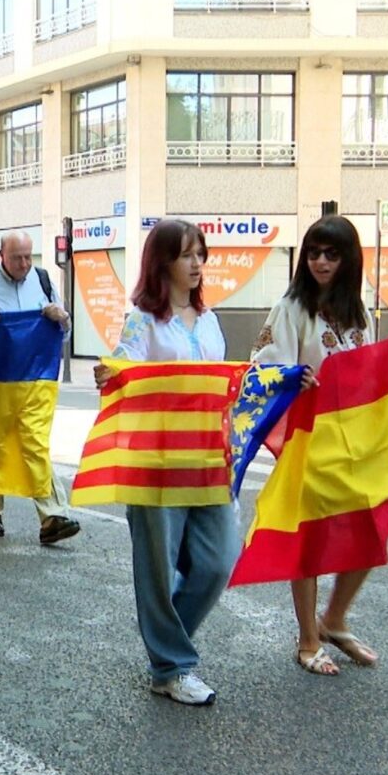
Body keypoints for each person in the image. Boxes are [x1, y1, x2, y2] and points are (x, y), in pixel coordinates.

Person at [93, 218, 234, 706]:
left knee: (217, 562)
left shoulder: (209, 320)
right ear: (163, 262)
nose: (197, 264)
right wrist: (111, 373)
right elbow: (123, 367)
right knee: (157, 566)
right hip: (155, 462)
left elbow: (224, 386)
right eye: (187, 255)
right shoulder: (143, 321)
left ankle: (165, 645)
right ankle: (172, 666)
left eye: (201, 254)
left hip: (208, 461)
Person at [251, 214, 377, 676]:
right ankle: (307, 639)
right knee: (308, 540)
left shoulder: (357, 313)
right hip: (308, 439)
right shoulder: (291, 308)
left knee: (371, 530)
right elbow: (262, 367)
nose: (321, 262)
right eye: (313, 253)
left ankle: (335, 620)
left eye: (332, 253)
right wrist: (292, 379)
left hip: (354, 442)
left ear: (348, 260)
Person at [0, 231, 80, 546]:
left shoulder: (44, 282)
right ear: (1, 255)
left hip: (33, 381)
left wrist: (62, 318)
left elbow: (64, 332)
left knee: (35, 443)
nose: (24, 264)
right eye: (17, 257)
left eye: (28, 257)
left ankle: (53, 516)